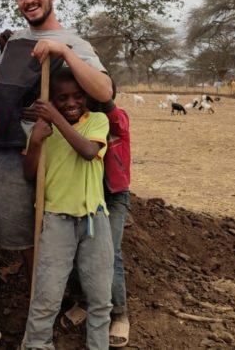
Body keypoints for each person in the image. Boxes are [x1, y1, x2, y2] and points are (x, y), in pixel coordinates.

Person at [0, 0, 112, 277]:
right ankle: (36, 299)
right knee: (18, 237)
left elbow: (105, 91)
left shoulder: (73, 43)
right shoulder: (16, 41)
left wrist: (64, 53)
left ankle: (51, 300)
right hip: (6, 149)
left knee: (47, 232)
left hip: (48, 159)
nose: (29, 0)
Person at [22, 68, 112, 350]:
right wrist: (36, 141)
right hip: (55, 220)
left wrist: (54, 116)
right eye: (61, 98)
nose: (71, 102)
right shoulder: (42, 129)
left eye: (77, 96)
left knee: (99, 298)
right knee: (46, 295)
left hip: (94, 220)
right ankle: (37, 344)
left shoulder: (97, 121)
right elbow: (29, 174)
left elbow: (87, 152)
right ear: (51, 99)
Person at [100, 97, 131, 348]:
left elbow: (117, 123)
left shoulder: (119, 117)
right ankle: (85, 302)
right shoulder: (81, 119)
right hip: (88, 192)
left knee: (110, 251)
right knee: (81, 248)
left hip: (115, 195)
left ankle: (119, 313)